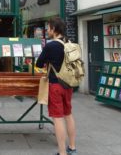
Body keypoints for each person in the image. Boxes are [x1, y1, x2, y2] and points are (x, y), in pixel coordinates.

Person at [36, 17, 77, 155]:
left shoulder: (50, 46)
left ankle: (62, 152)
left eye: (48, 28)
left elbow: (39, 64)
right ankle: (72, 147)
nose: (47, 31)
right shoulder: (69, 43)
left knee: (57, 118)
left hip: (55, 85)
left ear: (54, 29)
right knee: (68, 114)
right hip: (68, 85)